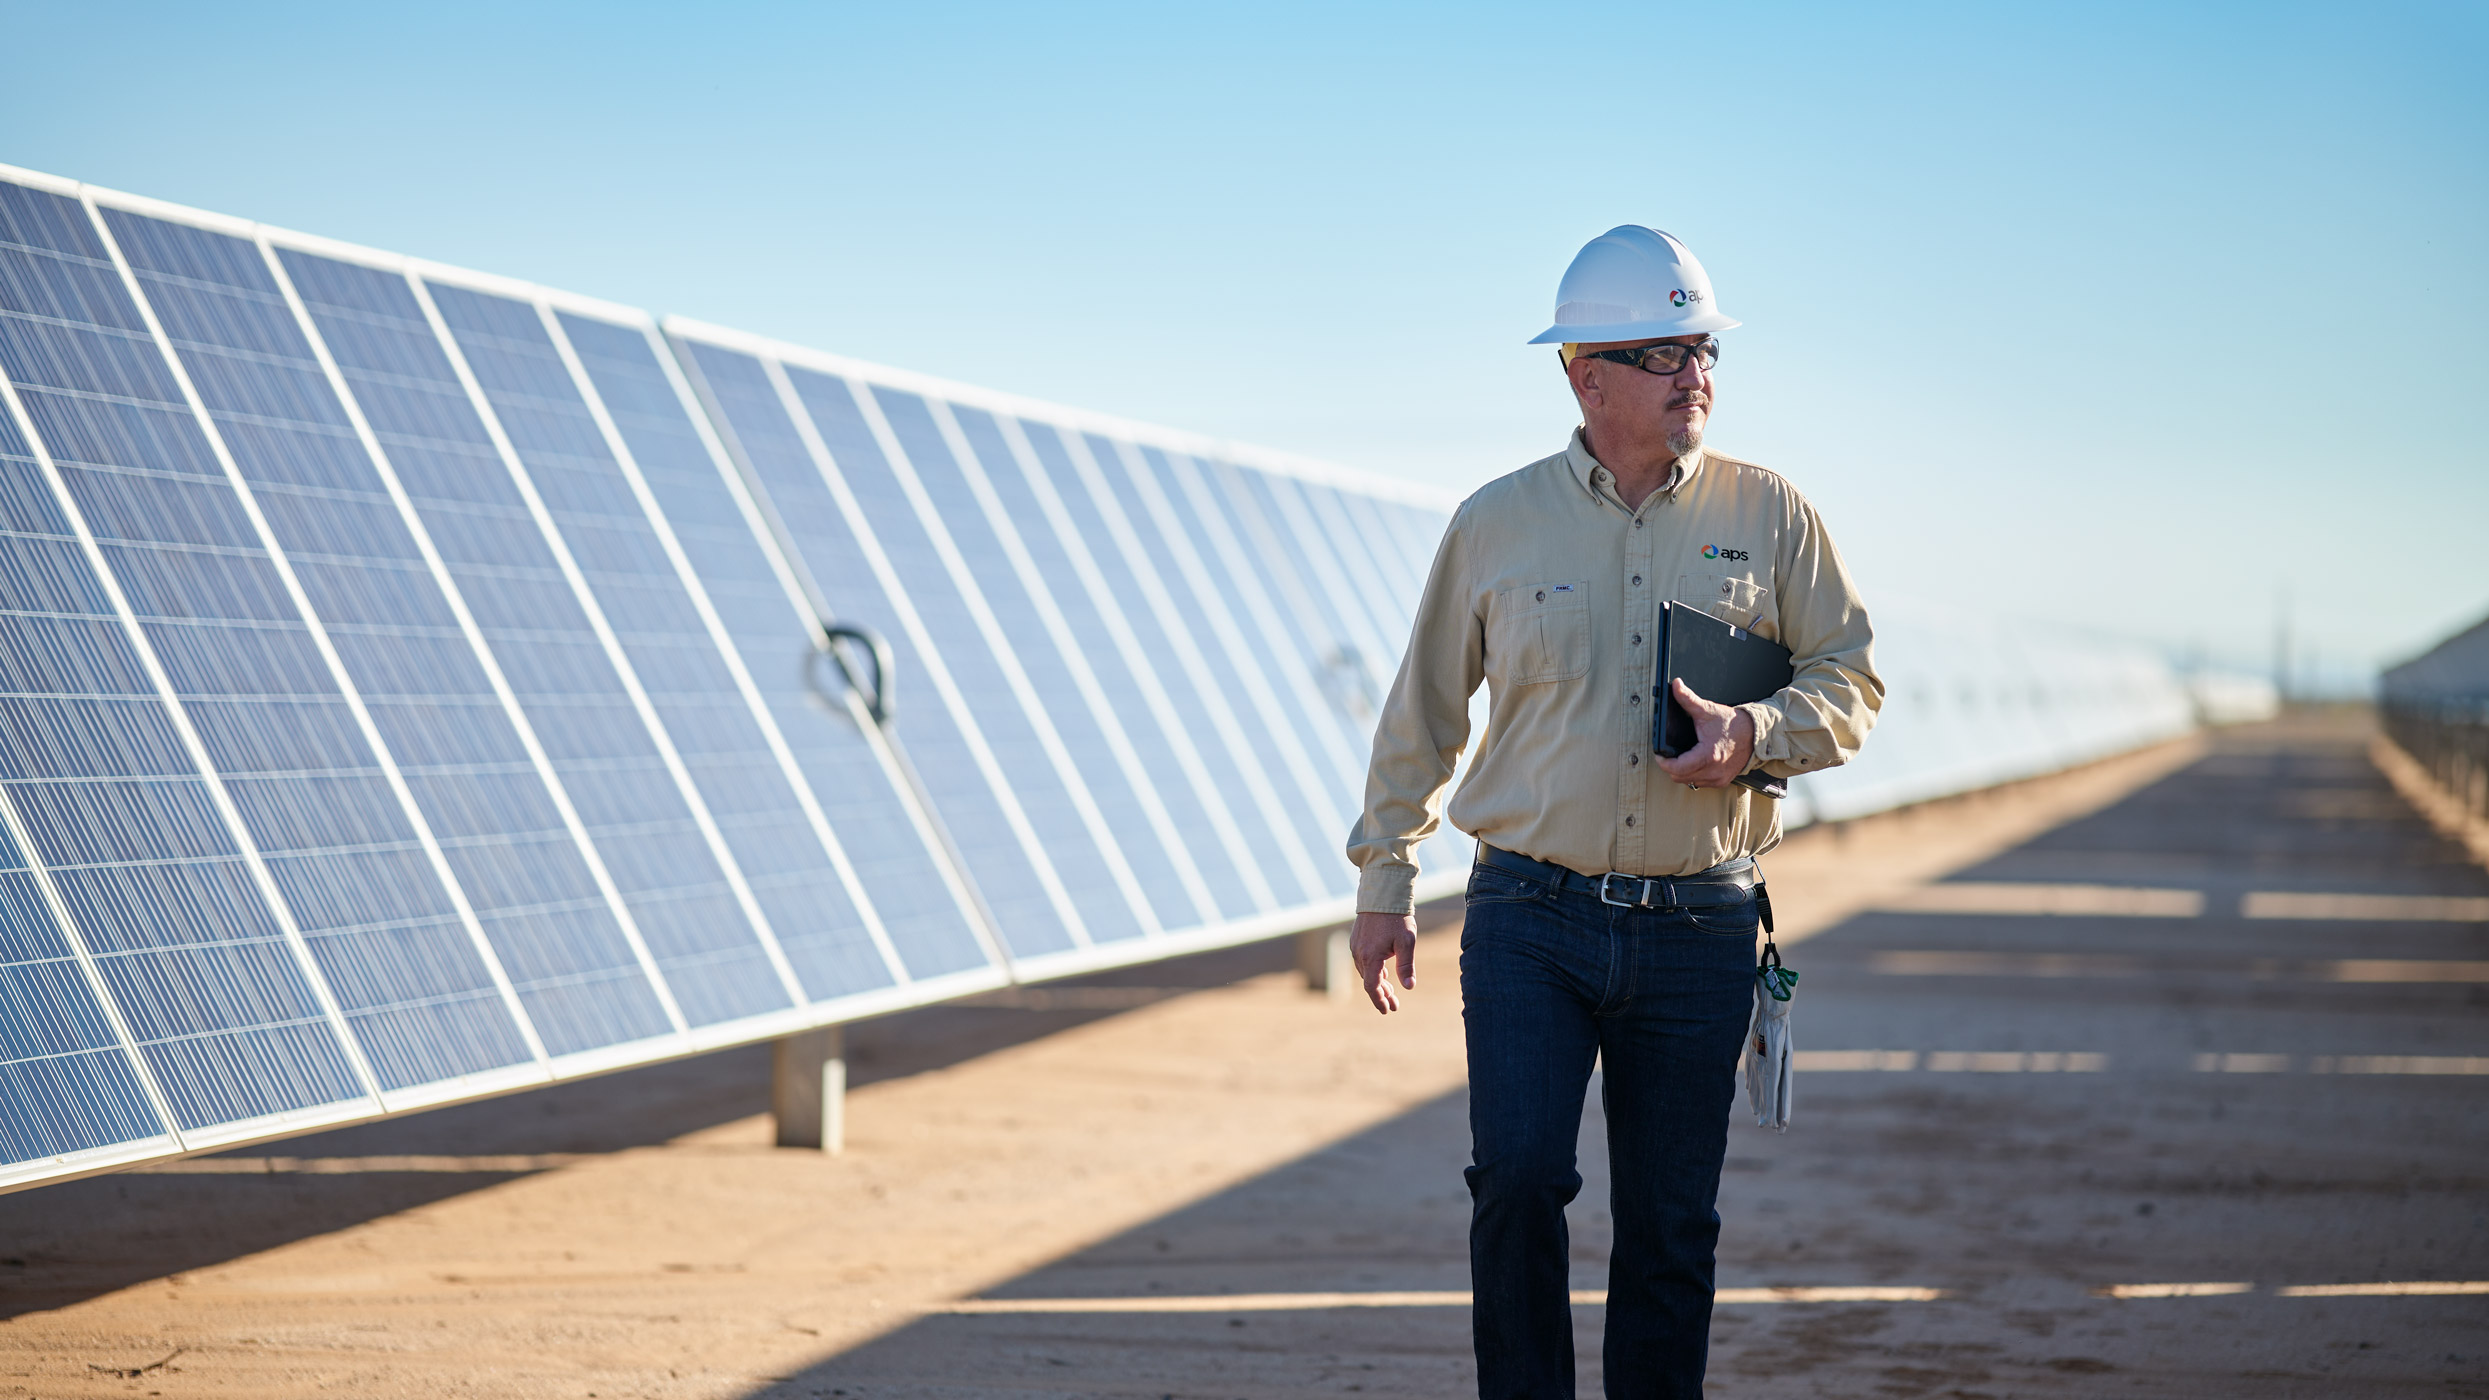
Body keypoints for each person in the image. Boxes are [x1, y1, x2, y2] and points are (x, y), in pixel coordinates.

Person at [1344, 225, 1883, 1399]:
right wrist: (1385, 875)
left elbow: (1851, 681)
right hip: (1530, 914)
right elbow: (1422, 709)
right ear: (1584, 374)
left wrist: (1754, 734)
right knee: (1520, 1182)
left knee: (1670, 1226)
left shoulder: (1773, 514)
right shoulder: (1495, 521)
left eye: (1702, 350)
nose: (1695, 373)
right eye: (1663, 353)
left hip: (1699, 930)